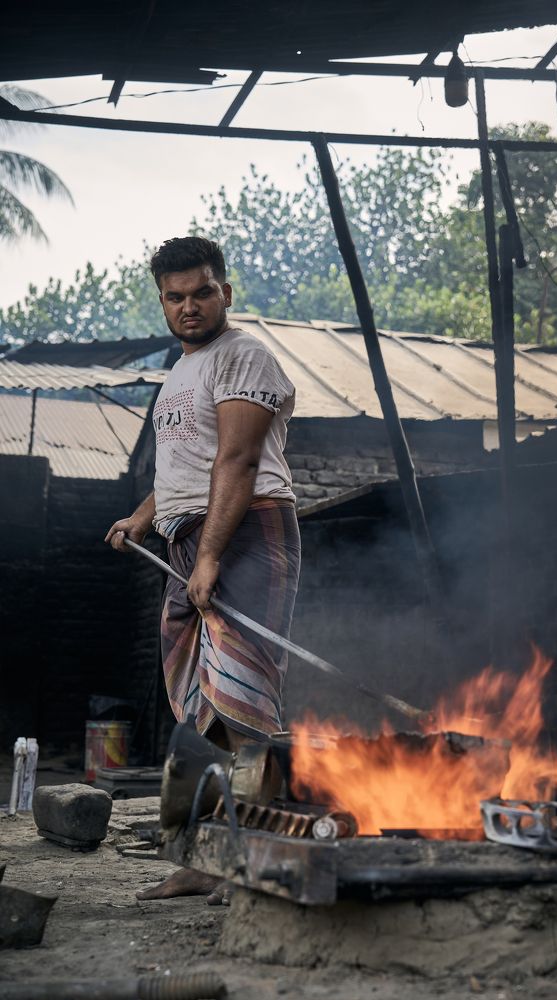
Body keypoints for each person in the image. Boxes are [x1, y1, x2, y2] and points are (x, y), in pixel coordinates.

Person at [105, 236, 300, 901]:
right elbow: (188, 468)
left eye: (201, 292)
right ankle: (201, 857)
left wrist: (212, 555)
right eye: (175, 296)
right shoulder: (183, 371)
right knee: (198, 709)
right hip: (191, 537)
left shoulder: (245, 357)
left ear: (226, 292)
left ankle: (254, 856)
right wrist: (141, 516)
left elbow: (238, 465)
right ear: (162, 299)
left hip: (246, 535)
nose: (189, 306)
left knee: (241, 704)